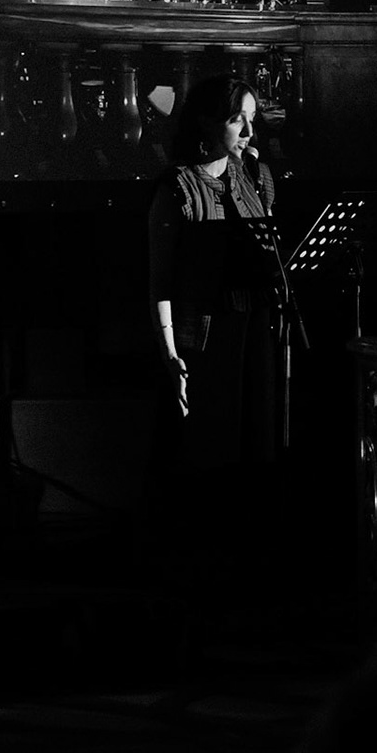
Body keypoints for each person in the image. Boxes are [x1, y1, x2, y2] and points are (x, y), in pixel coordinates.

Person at [145, 74, 283, 481]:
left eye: (252, 119)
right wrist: (171, 356)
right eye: (238, 120)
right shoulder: (177, 187)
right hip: (205, 336)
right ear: (207, 122)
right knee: (209, 451)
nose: (249, 131)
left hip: (256, 329)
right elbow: (160, 281)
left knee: (257, 446)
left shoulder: (257, 178)